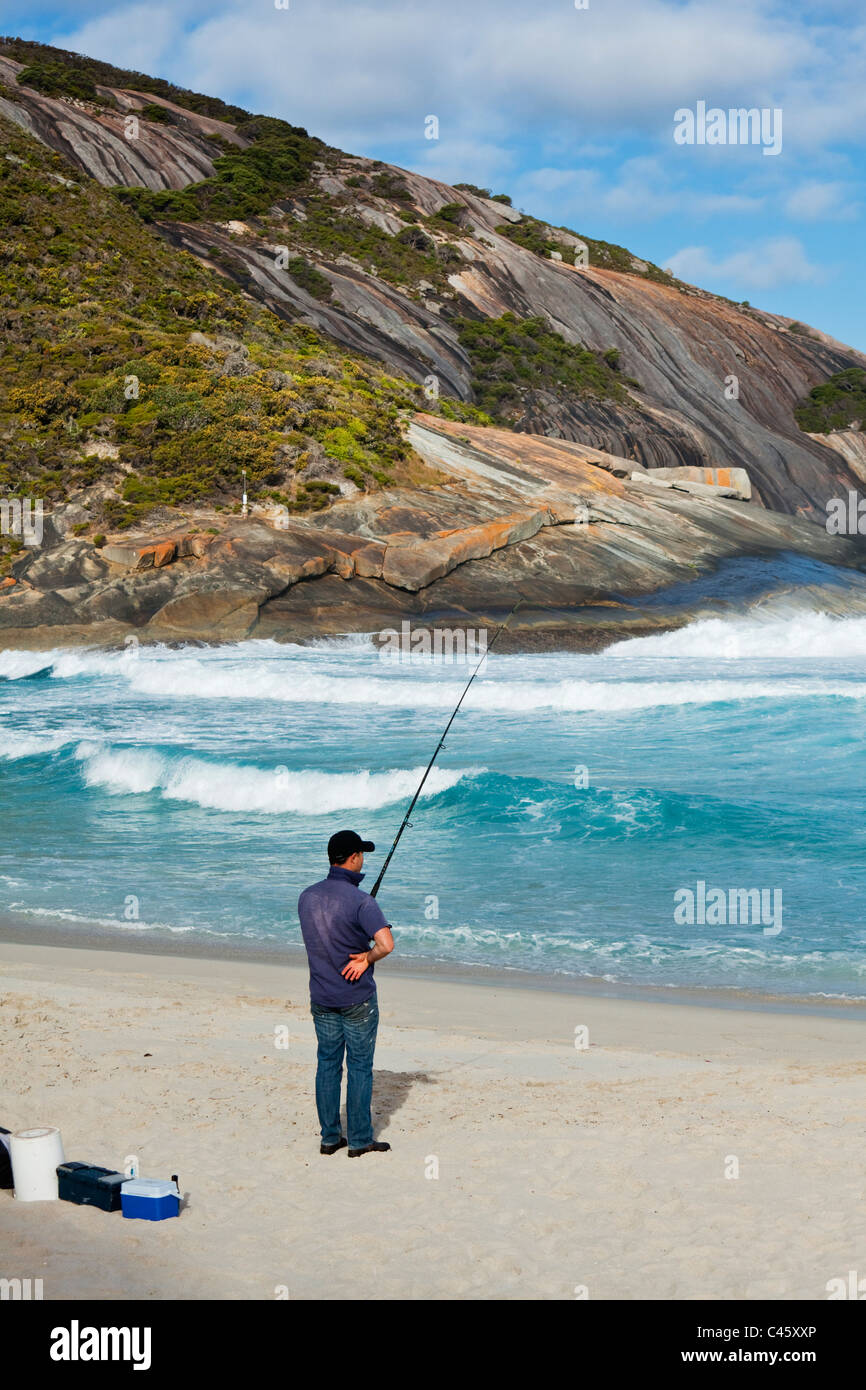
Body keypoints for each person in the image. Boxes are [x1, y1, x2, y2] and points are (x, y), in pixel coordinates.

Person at [297, 830, 395, 1157]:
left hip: (322, 997)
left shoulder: (307, 897)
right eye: (361, 854)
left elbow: (329, 937)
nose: (363, 859)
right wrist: (366, 957)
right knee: (359, 1067)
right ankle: (359, 1139)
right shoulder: (362, 901)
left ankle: (329, 1138)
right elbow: (386, 945)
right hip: (356, 998)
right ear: (353, 858)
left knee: (327, 1064)